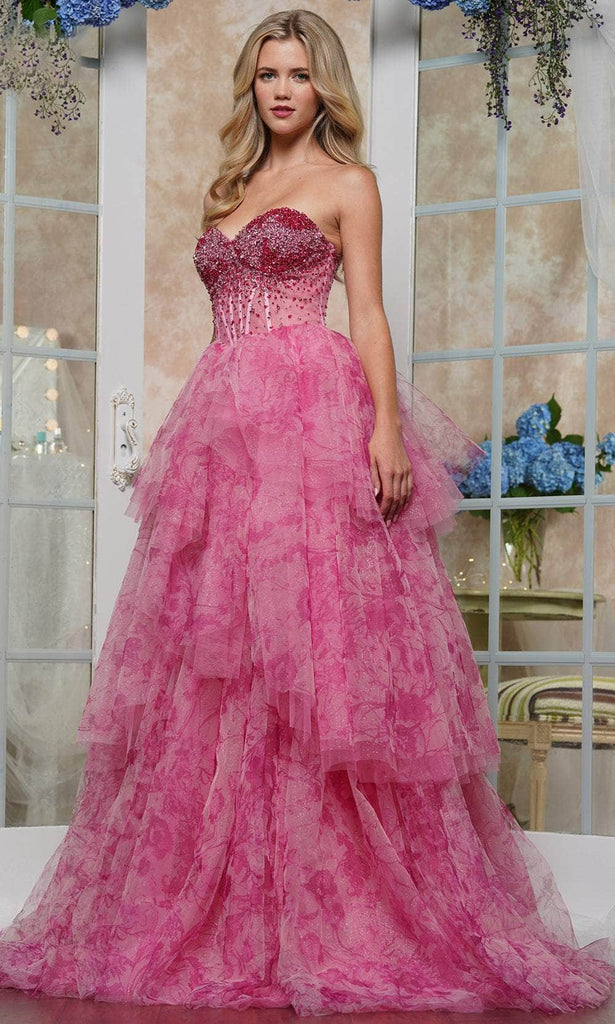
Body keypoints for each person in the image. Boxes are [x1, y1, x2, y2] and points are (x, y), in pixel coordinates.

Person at [0, 7, 613, 1017]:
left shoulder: (348, 183)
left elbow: (366, 310)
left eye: (298, 73)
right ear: (252, 86)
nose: (282, 90)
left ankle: (341, 912)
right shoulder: (229, 188)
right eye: (267, 74)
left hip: (313, 417)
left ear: (324, 85)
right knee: (219, 658)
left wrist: (385, 431)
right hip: (224, 426)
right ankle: (226, 907)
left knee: (321, 653)